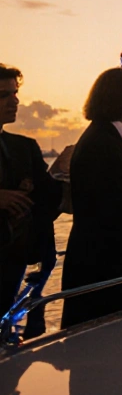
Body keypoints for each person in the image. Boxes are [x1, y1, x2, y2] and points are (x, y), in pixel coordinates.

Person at [61, 68, 122, 327]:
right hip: (104, 266)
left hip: (120, 263)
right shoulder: (100, 143)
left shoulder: (112, 138)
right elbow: (114, 210)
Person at [0, 64, 70, 338]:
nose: (15, 101)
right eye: (4, 95)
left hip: (20, 261)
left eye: (15, 93)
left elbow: (45, 200)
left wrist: (60, 172)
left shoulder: (24, 147)